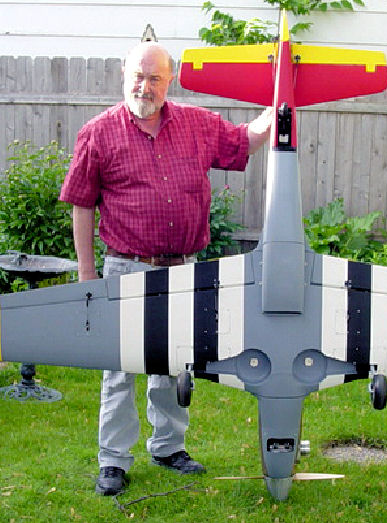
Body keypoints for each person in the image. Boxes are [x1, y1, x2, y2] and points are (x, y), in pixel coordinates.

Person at [59, 41, 272, 496]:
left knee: (174, 363)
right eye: (139, 76)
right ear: (124, 74)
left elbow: (245, 142)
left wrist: (277, 110)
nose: (145, 86)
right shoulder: (98, 133)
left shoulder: (197, 124)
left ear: (169, 80)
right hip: (126, 268)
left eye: (155, 78)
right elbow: (81, 204)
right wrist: (86, 274)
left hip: (182, 271)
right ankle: (113, 460)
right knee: (120, 368)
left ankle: (168, 447)